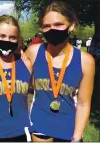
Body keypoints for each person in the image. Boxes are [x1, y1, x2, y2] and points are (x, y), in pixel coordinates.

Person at [24, 1, 95, 142]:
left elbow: (83, 103)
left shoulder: (85, 61)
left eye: (58, 25)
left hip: (69, 129)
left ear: (72, 25)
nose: (52, 30)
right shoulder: (33, 52)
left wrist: (77, 137)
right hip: (39, 125)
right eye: (46, 26)